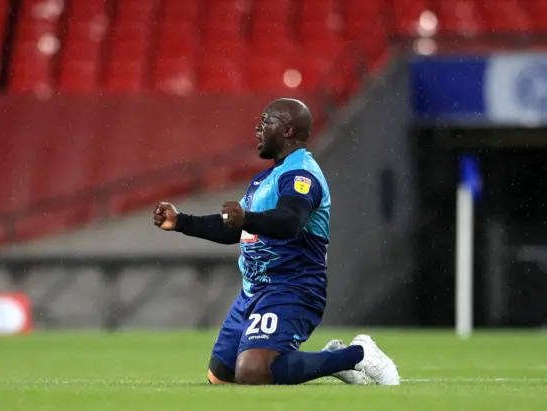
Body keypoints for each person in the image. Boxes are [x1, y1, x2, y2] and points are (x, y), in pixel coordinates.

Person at [153, 98, 400, 386]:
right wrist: (181, 222)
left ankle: (358, 355)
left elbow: (289, 220)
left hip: (292, 288)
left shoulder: (301, 174)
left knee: (253, 371)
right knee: (222, 377)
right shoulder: (265, 179)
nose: (258, 128)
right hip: (254, 292)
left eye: (266, 121)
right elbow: (234, 230)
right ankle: (328, 360)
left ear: (287, 129)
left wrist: (246, 217)